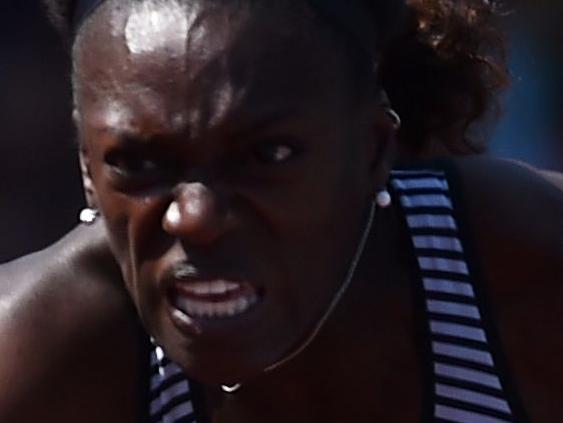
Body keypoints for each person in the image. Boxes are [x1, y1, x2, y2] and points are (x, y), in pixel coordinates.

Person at [1, 0, 562, 421]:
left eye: (266, 154)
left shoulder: (533, 276)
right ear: (86, 168)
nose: (192, 218)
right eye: (137, 162)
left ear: (371, 149)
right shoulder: (30, 363)